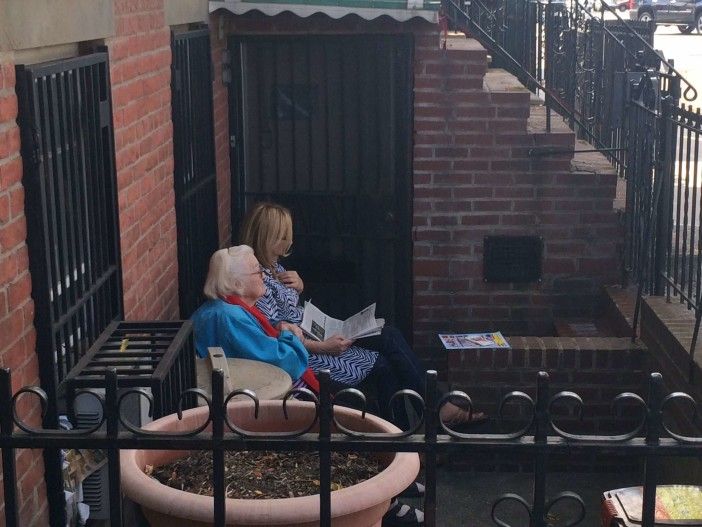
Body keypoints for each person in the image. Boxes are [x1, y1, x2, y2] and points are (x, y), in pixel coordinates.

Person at [191, 245, 425, 526]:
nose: (263, 277)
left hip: (260, 394)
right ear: (237, 284)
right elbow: (282, 361)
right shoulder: (228, 317)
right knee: (353, 419)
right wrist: (290, 335)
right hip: (261, 404)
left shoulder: (230, 310)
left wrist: (283, 332)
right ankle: (385, 506)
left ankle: (390, 494)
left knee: (359, 407)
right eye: (257, 272)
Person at [239, 202, 486, 429]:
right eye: (282, 238)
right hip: (307, 352)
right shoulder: (255, 279)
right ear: (266, 238)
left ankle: (411, 430)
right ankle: (415, 426)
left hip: (314, 333)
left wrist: (300, 287)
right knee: (385, 360)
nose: (288, 244)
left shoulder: (275, 266)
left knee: (388, 336)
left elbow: (290, 309)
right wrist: (323, 347)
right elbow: (277, 333)